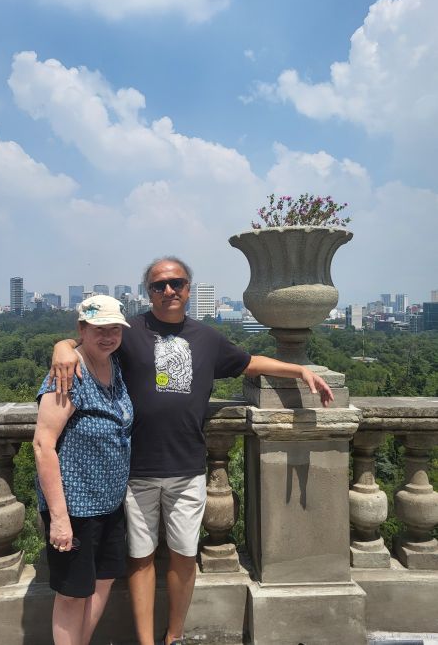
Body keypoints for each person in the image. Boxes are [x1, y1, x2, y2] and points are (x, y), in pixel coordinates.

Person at [50, 257, 334, 645]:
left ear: (188, 288)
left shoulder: (206, 338)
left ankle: (174, 637)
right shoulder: (129, 333)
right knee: (140, 558)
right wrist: (61, 347)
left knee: (184, 557)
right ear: (147, 291)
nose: (168, 291)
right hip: (134, 471)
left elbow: (249, 363)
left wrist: (298, 370)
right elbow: (91, 339)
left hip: (188, 467)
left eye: (176, 283)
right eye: (158, 285)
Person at [34, 295, 133, 645]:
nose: (107, 336)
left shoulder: (113, 363)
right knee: (73, 594)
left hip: (109, 504)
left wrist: (63, 343)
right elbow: (43, 445)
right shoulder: (69, 373)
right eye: (98, 329)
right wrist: (59, 518)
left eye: (114, 329)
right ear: (82, 330)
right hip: (75, 508)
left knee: (104, 579)